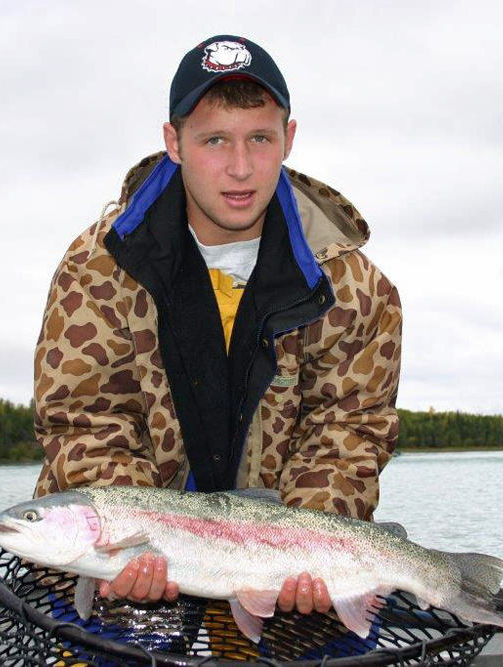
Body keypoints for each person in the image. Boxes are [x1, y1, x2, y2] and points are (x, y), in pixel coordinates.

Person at [31, 35, 402, 617]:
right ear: (173, 142)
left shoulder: (356, 288)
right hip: (126, 563)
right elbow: (86, 419)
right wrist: (132, 544)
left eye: (260, 137)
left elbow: (348, 431)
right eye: (214, 140)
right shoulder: (97, 266)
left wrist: (304, 548)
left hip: (282, 561)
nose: (240, 167)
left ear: (290, 138)